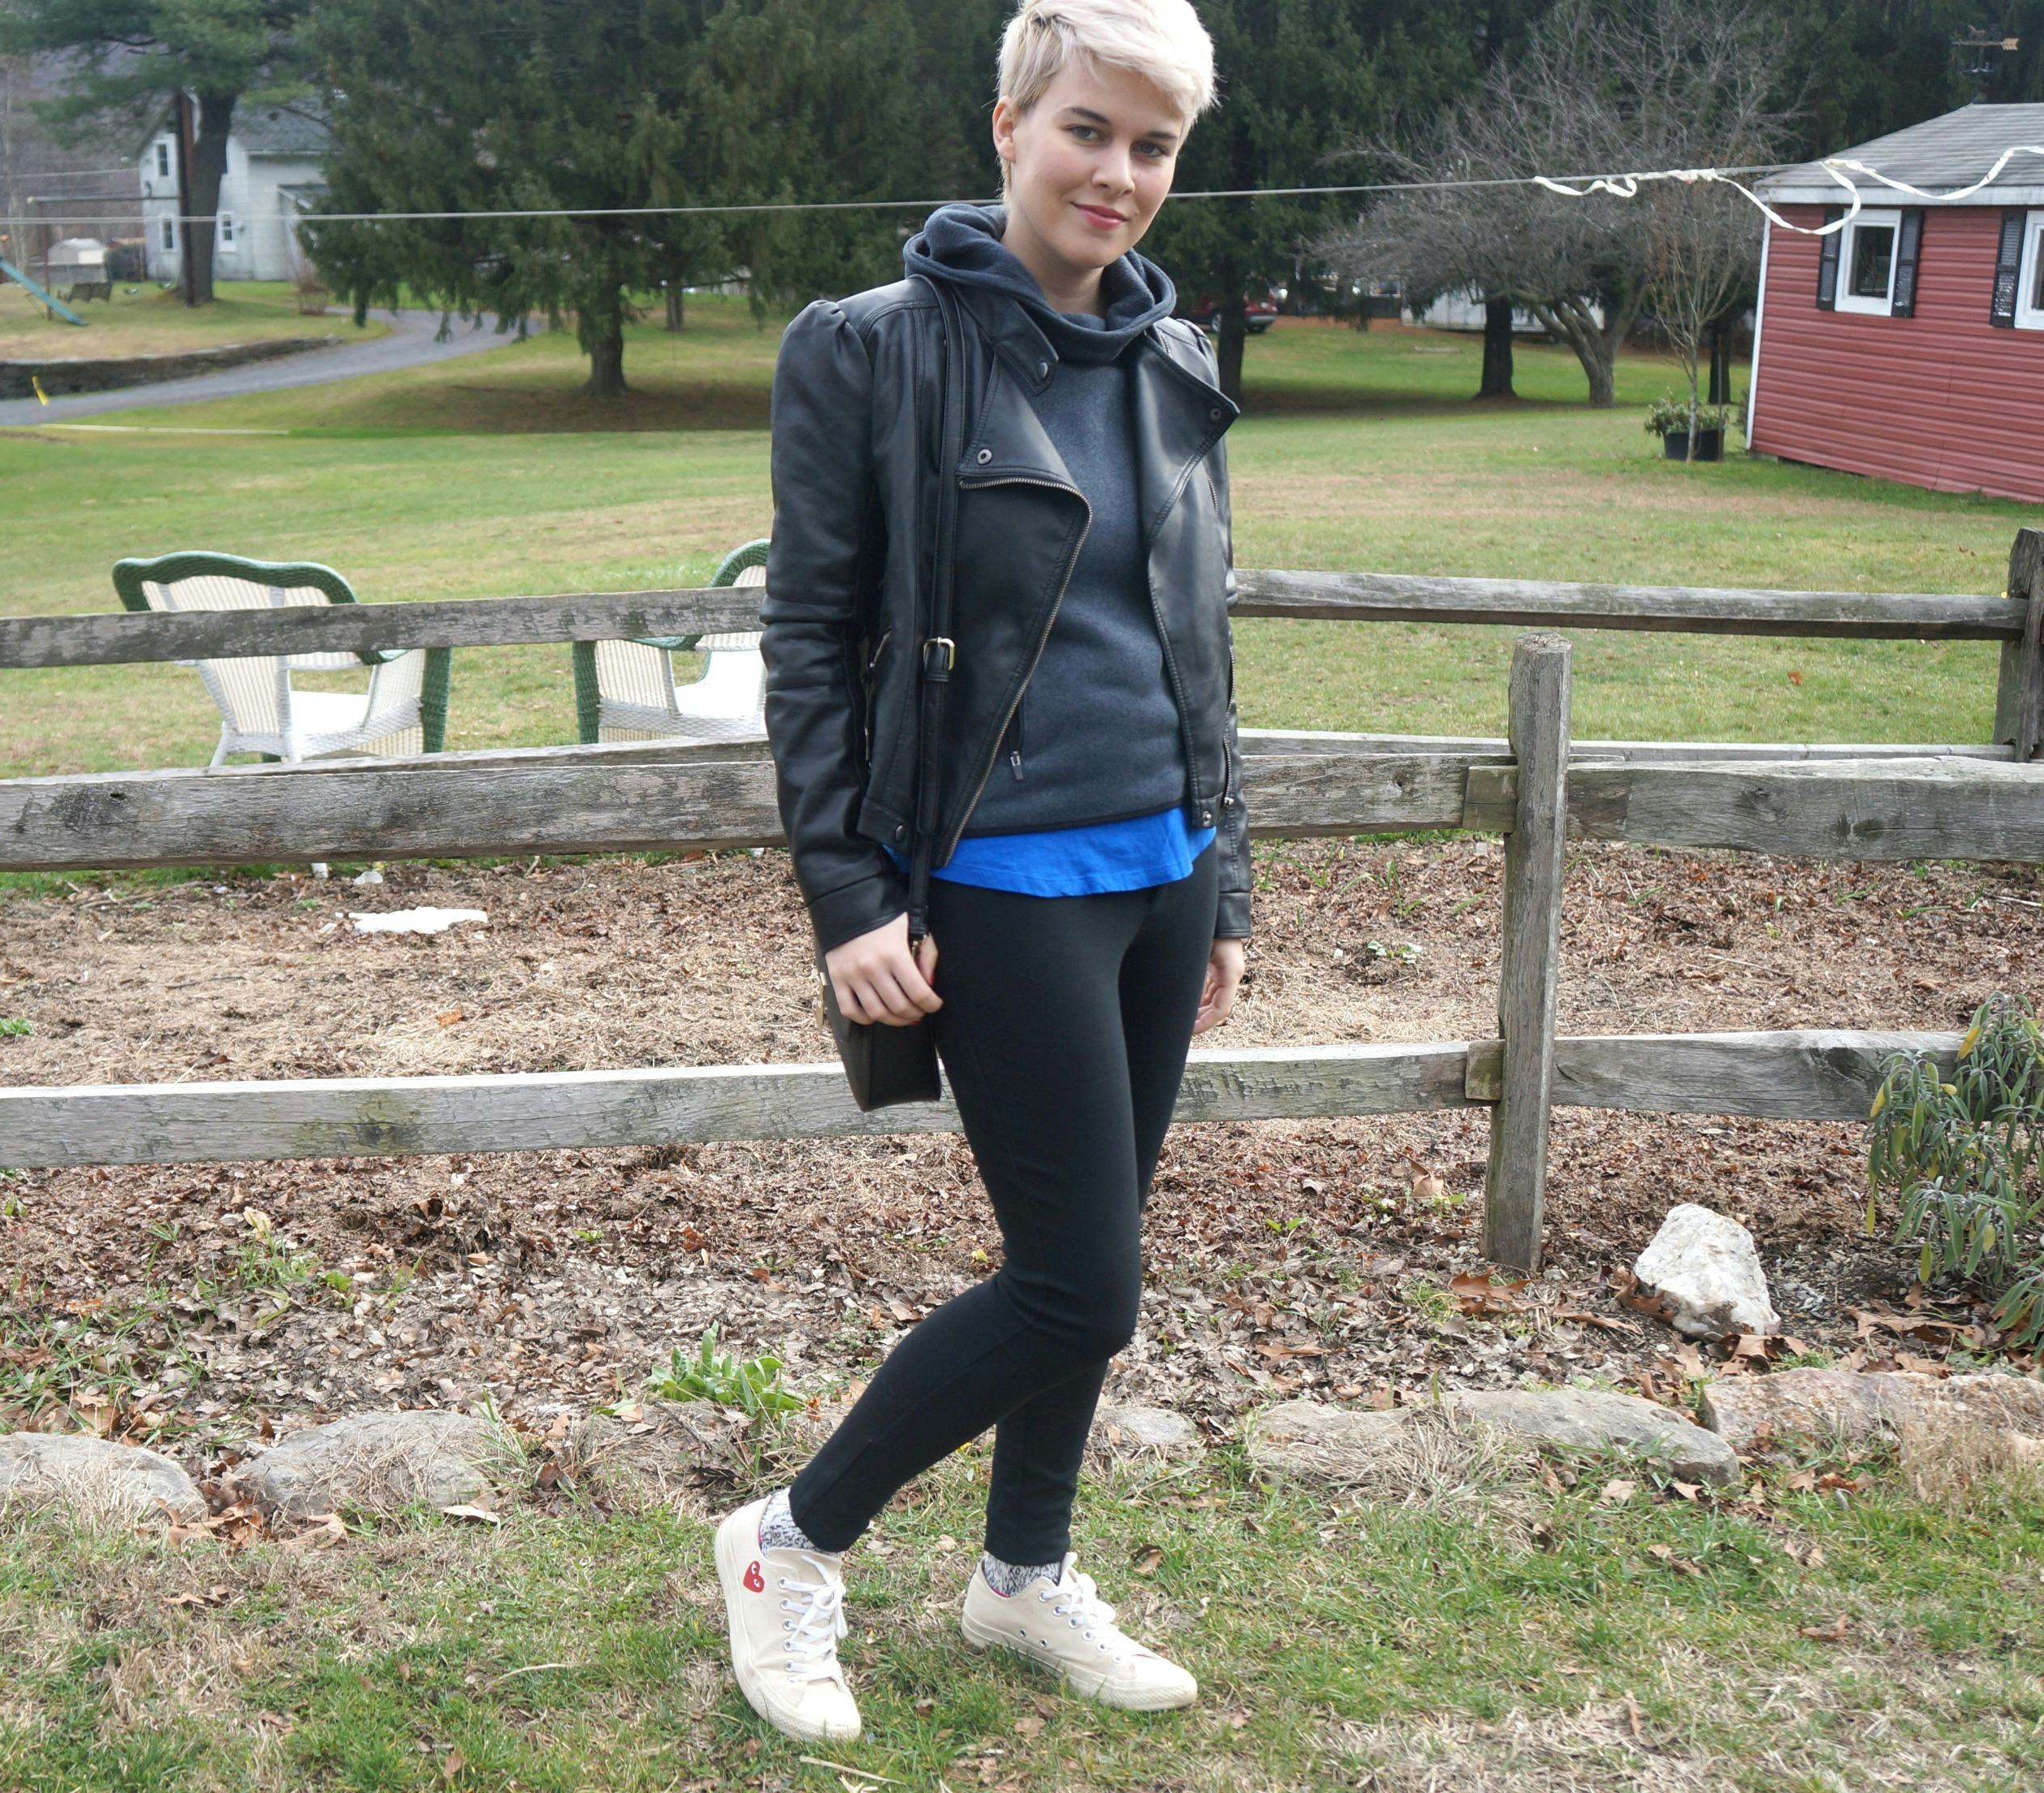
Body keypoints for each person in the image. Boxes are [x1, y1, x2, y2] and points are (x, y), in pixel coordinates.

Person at [712, 0, 1249, 1744]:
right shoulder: (869, 350)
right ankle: (788, 1545)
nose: (1119, 173)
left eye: (1154, 146)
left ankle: (1024, 1573)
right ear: (1011, 123)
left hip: (1161, 865)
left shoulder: (1172, 355)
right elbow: (809, 640)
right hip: (1000, 880)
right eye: (1088, 128)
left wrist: (1226, 874)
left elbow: (1195, 633)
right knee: (1081, 1282)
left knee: (1089, 1262)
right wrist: (850, 897)